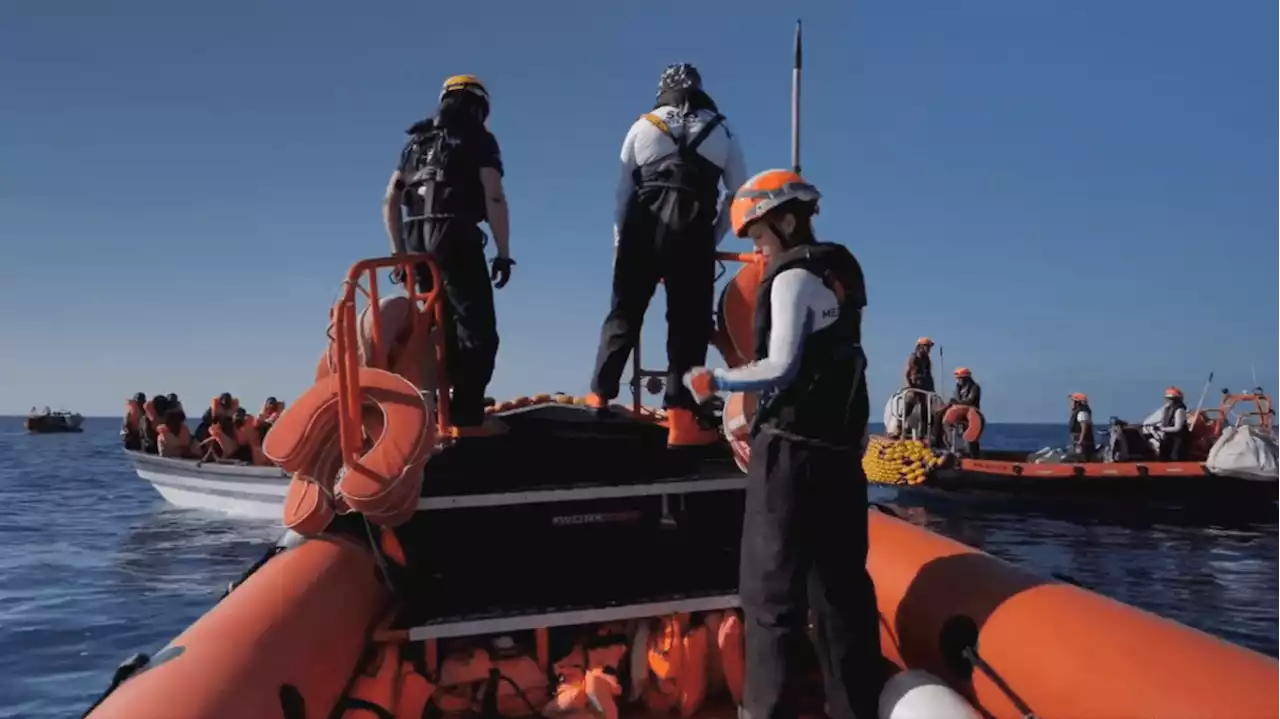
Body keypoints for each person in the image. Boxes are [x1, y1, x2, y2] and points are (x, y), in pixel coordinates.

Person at [682, 169, 881, 719]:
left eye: (759, 235)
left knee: (771, 599)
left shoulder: (792, 278)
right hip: (840, 457)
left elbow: (780, 367)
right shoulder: (838, 277)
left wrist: (714, 382)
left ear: (787, 219)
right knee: (842, 592)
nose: (756, 247)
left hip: (790, 458)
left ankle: (767, 711)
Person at [585, 62, 747, 446]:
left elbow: (622, 194)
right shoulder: (722, 130)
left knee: (624, 314)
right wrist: (712, 233)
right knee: (688, 326)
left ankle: (599, 395)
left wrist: (619, 244)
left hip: (641, 232)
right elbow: (738, 194)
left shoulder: (643, 126)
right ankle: (680, 418)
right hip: (693, 238)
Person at [383, 74, 513, 428]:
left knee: (436, 328)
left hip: (415, 243)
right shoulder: (479, 139)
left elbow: (390, 199)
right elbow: (494, 196)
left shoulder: (415, 143)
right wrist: (503, 252)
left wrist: (399, 254)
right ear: (479, 107)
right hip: (454, 238)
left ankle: (431, 409)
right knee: (479, 332)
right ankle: (466, 413)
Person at [901, 338, 935, 438]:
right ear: (920, 347)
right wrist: (910, 385)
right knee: (909, 404)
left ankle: (924, 434)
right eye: (926, 346)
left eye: (929, 347)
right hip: (915, 386)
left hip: (925, 388)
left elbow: (928, 374)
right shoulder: (914, 358)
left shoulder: (927, 360)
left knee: (926, 410)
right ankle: (901, 427)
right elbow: (907, 372)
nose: (928, 349)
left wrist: (931, 388)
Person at [946, 367, 982, 456]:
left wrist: (957, 402)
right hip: (960, 412)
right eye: (958, 378)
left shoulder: (975, 387)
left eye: (960, 378)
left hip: (972, 413)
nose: (958, 380)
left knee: (971, 436)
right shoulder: (958, 387)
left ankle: (973, 455)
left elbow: (970, 400)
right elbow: (955, 398)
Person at [1157, 386, 1189, 461]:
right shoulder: (1168, 409)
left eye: (1169, 399)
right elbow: (1164, 421)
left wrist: (1163, 429)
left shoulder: (1179, 410)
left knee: (1174, 457)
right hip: (1169, 437)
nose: (1167, 401)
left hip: (1177, 439)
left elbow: (1177, 428)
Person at [1068, 392, 1096, 460]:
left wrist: (1080, 440)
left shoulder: (1082, 413)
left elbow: (1084, 427)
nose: (1071, 403)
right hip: (1076, 438)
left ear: (1077, 402)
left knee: (1080, 457)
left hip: (1079, 439)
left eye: (1072, 401)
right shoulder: (1078, 411)